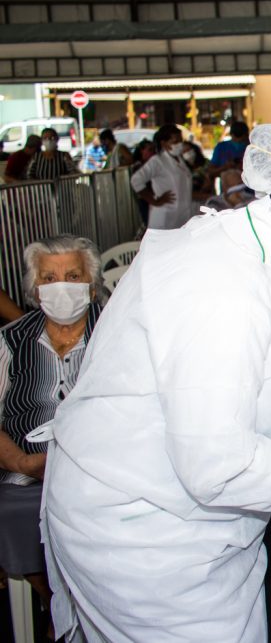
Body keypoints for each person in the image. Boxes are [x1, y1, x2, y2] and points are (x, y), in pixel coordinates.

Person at [42, 125, 271, 641]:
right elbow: (217, 468)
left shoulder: (270, 260)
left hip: (202, 530)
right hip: (142, 535)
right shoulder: (220, 285)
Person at [0, 235, 102, 638]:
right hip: (27, 473)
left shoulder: (115, 334)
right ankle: (55, 598)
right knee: (12, 514)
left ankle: (81, 606)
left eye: (73, 275)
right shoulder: (10, 341)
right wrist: (22, 462)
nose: (61, 285)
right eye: (49, 277)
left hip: (100, 473)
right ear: (34, 288)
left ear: (92, 286)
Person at [129, 124, 196, 230]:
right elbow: (136, 180)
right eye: (175, 142)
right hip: (164, 217)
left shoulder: (179, 159)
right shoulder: (157, 161)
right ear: (164, 143)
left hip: (181, 217)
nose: (179, 144)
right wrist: (154, 201)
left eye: (180, 141)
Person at [207, 120, 250, 185]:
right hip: (228, 189)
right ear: (232, 135)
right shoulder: (221, 147)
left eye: (242, 140)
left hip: (249, 190)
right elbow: (211, 171)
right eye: (236, 138)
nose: (238, 141)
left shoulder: (251, 148)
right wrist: (225, 167)